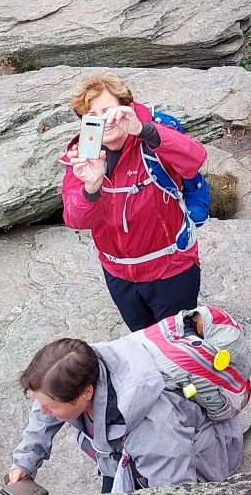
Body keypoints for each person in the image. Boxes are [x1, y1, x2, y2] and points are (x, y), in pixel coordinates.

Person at [60, 72, 208, 331]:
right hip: (119, 275)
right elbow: (76, 220)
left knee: (181, 343)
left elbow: (195, 159)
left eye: (107, 111)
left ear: (126, 107)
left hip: (171, 269)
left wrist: (143, 129)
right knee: (143, 341)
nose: (103, 121)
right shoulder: (83, 156)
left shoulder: (152, 137)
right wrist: (91, 187)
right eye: (91, 116)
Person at [6, 337, 243, 494]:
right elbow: (44, 408)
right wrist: (25, 461)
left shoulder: (154, 430)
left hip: (183, 465)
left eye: (50, 406)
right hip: (120, 459)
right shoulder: (78, 368)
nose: (43, 411)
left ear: (87, 392)